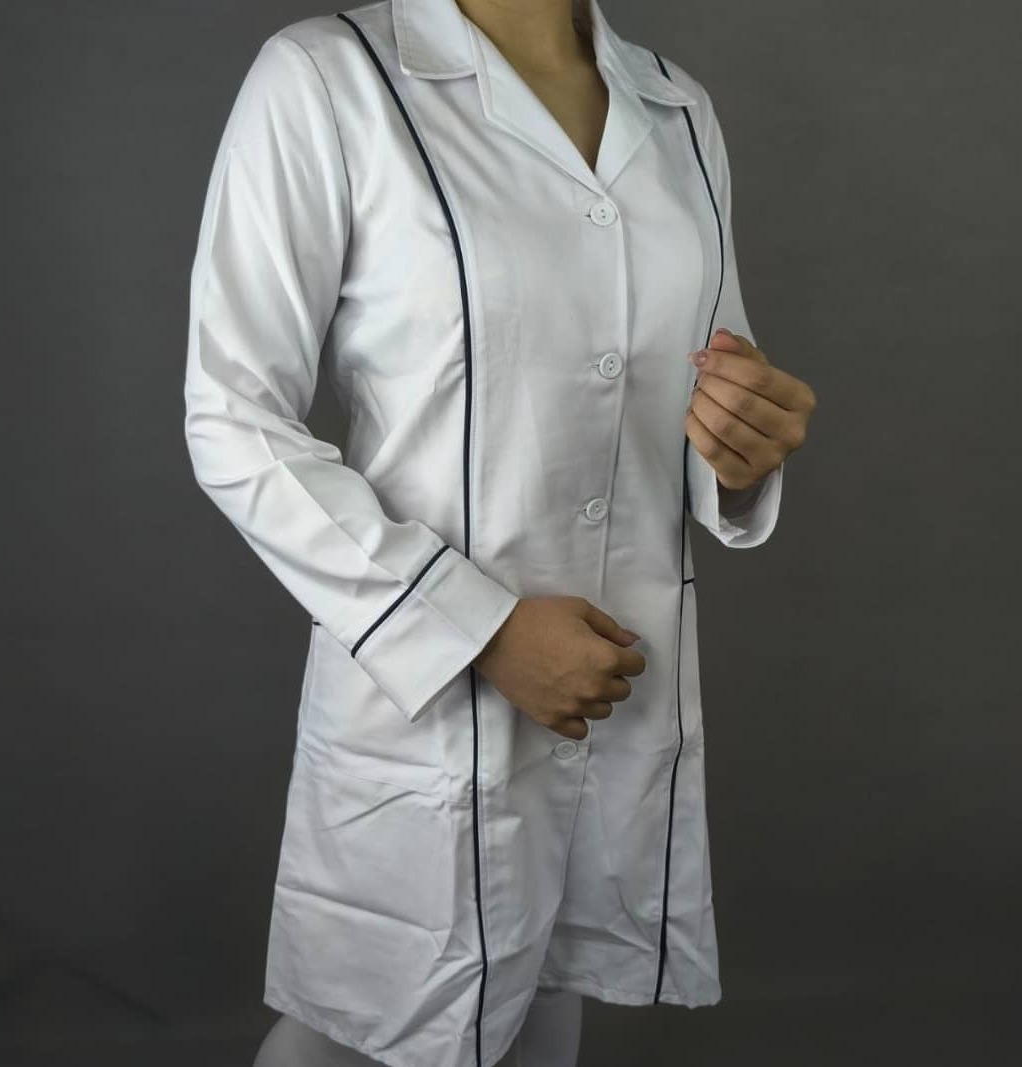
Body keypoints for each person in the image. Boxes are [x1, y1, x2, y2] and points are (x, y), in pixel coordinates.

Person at [183, 1, 815, 1065]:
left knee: (537, 1002)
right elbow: (232, 418)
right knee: (365, 1030)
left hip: (611, 684)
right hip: (427, 699)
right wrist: (478, 630)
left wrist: (743, 451)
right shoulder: (330, 78)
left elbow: (705, 390)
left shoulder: (674, 108)